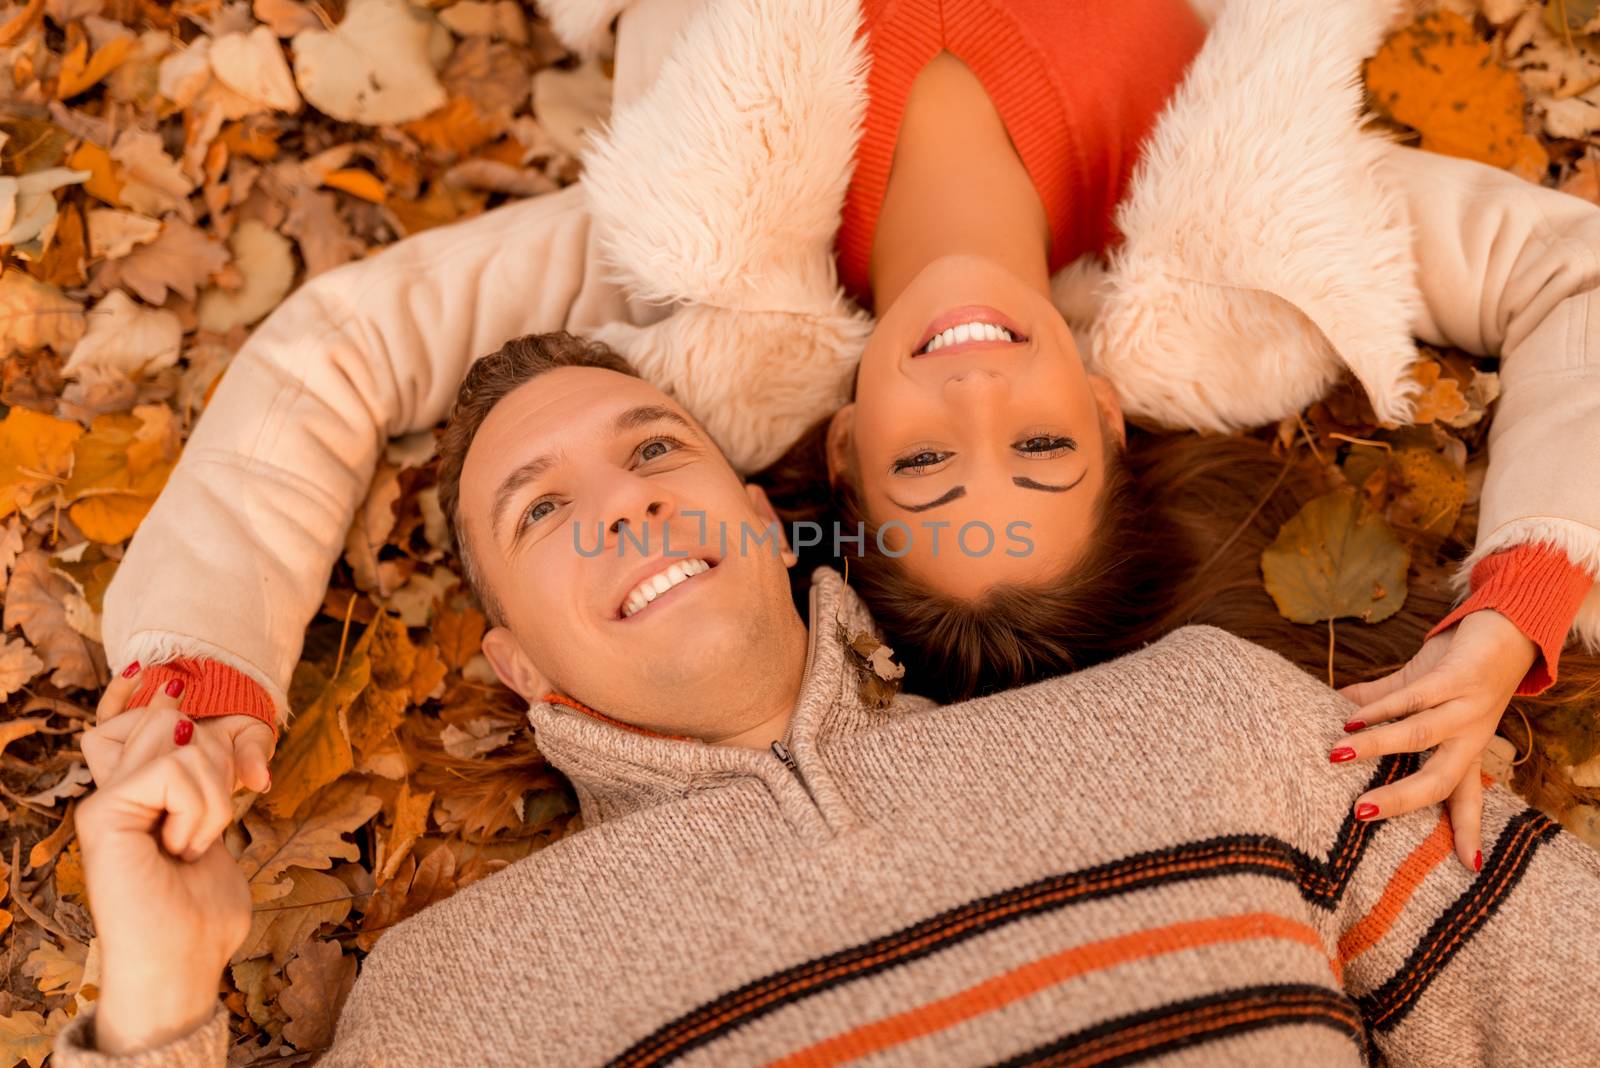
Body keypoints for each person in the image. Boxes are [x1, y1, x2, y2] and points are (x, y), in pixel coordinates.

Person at [56, 335, 1600, 1065]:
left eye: (658, 449)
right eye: (539, 512)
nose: (627, 505)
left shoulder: (1208, 722)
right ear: (513, 666)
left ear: (766, 511)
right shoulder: (454, 997)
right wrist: (161, 1003)